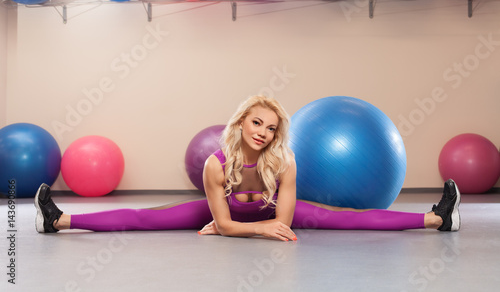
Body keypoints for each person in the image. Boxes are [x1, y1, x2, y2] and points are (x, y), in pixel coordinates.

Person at [35, 95, 461, 241]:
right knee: (149, 217)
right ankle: (59, 220)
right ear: (240, 123)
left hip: (269, 213)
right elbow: (224, 220)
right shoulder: (214, 165)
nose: (262, 132)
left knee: (348, 218)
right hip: (231, 214)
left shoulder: (286, 160)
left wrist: (236, 228)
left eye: (271, 127)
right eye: (256, 122)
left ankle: (438, 218)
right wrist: (230, 227)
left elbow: (285, 222)